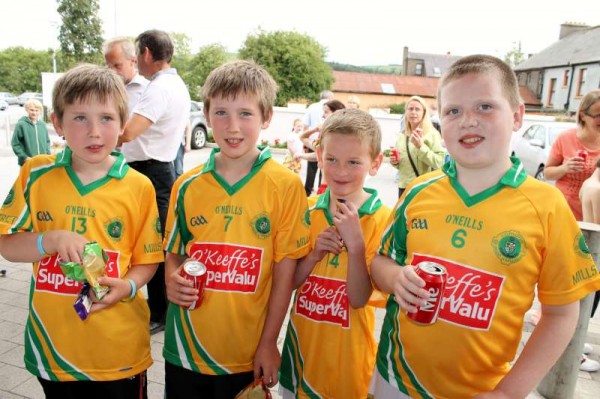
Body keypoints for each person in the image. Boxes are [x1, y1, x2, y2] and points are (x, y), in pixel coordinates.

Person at [371, 55, 600, 398]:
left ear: (518, 116)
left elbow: (561, 315)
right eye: (453, 111)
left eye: (485, 107)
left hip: (484, 390)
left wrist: (510, 392)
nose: (468, 121)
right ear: (440, 122)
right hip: (394, 378)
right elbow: (380, 262)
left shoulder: (547, 207)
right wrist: (395, 278)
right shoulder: (419, 192)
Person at [0, 64, 163, 398]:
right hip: (54, 350)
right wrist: (51, 239)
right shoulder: (36, 175)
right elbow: (7, 245)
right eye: (79, 118)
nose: (94, 132)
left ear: (122, 125)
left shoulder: (139, 186)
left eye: (106, 118)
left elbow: (149, 260)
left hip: (119, 352)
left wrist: (130, 286)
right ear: (57, 123)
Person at [162, 60, 311, 399]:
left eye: (245, 114)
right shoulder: (186, 185)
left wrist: (269, 343)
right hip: (185, 349)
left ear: (266, 117)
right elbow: (173, 254)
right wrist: (171, 279)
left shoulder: (285, 185)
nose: (232, 126)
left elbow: (284, 273)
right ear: (207, 114)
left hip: (247, 351)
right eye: (221, 113)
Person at [279, 108, 391, 398]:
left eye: (354, 162)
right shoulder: (306, 209)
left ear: (375, 163)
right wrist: (315, 254)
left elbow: (358, 299)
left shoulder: (383, 219)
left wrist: (355, 247)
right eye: (332, 159)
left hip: (348, 363)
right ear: (319, 156)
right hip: (299, 355)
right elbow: (289, 283)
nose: (341, 171)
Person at [119, 29, 191, 334]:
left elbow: (129, 132)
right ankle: (159, 308)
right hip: (160, 169)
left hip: (152, 171)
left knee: (158, 247)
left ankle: (160, 313)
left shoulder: (159, 88)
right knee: (160, 244)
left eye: (138, 55)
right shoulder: (176, 84)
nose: (137, 61)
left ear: (147, 53)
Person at [544, 89, 600, 221]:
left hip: (593, 216)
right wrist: (565, 168)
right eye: (598, 115)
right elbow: (547, 173)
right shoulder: (565, 138)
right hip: (563, 212)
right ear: (582, 115)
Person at [389, 95, 445, 197]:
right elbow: (401, 164)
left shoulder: (432, 134)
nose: (413, 112)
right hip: (403, 187)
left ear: (423, 113)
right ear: (406, 112)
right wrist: (394, 162)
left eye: (417, 109)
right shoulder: (402, 135)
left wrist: (421, 147)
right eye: (410, 109)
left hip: (422, 187)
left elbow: (440, 163)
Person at [578, 156, 600, 372]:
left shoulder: (588, 183)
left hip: (587, 253)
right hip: (595, 255)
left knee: (585, 305)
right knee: (587, 305)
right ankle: (576, 354)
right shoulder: (598, 188)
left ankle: (578, 343)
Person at [298, 99, 346, 194]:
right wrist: (316, 129)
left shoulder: (334, 136)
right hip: (330, 188)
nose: (323, 115)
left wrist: (315, 130)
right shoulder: (328, 135)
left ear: (336, 113)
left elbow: (319, 153)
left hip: (330, 189)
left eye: (326, 112)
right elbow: (305, 139)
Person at [103, 36, 149, 113]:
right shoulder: (103, 89)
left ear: (133, 60)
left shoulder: (148, 90)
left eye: (117, 65)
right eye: (108, 66)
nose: (112, 72)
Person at [303, 90, 334, 196]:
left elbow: (305, 125)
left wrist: (312, 132)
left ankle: (307, 192)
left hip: (314, 139)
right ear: (330, 97)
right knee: (324, 168)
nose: (323, 115)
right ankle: (321, 191)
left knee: (311, 170)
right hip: (319, 141)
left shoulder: (312, 107)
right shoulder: (331, 107)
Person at [11, 98, 51, 166]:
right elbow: (15, 143)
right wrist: (24, 157)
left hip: (42, 162)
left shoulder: (42, 125)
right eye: (31, 110)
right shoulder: (21, 124)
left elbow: (47, 141)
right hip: (27, 162)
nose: (34, 113)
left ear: (40, 111)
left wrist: (47, 155)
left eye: (36, 110)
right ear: (27, 110)